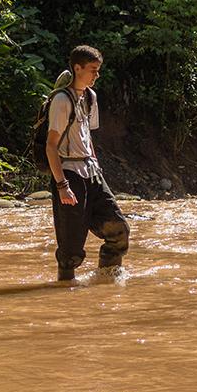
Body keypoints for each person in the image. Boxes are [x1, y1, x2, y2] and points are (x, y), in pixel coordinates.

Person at [46, 45, 130, 281]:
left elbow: (86, 134)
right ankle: (65, 293)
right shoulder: (61, 101)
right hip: (69, 173)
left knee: (119, 230)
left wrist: (96, 167)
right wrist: (62, 185)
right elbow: (51, 146)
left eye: (98, 70)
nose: (97, 75)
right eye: (93, 70)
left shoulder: (91, 97)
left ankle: (107, 279)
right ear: (77, 68)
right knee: (70, 248)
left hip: (91, 171)